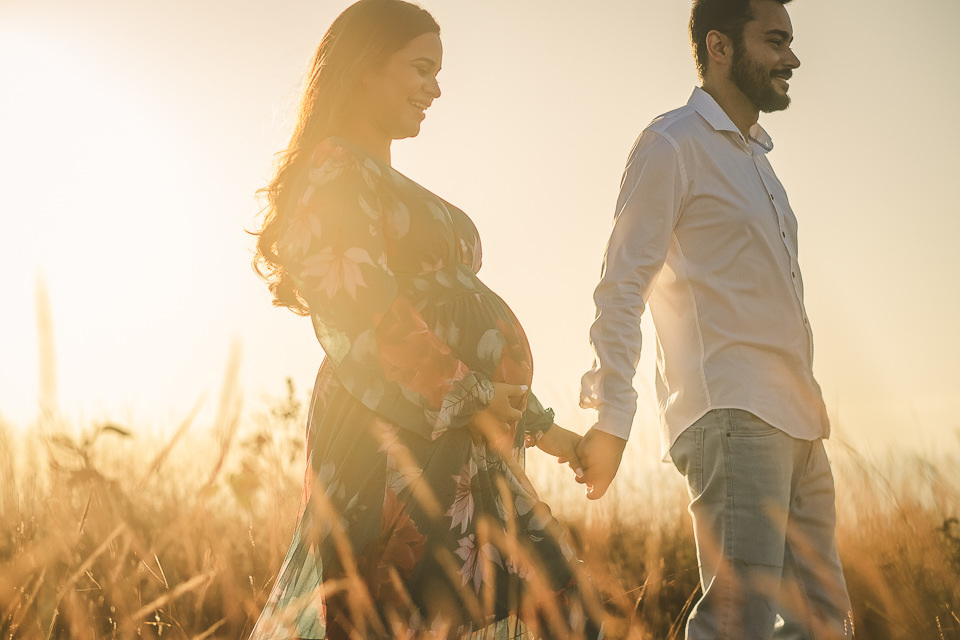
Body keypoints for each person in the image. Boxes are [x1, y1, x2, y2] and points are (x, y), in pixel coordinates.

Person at [248, 2, 601, 638]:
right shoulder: (335, 169)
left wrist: (551, 434)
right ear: (362, 68)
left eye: (437, 72)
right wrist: (470, 395)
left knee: (560, 610)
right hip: (390, 441)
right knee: (395, 623)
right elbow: (362, 311)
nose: (435, 88)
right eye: (420, 68)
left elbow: (454, 327)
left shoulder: (383, 180)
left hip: (464, 437)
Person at [577, 0, 854, 637]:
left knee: (826, 626)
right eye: (776, 41)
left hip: (800, 425)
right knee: (737, 622)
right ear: (721, 46)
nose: (793, 58)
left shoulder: (760, 162)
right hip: (732, 416)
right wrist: (612, 416)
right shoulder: (672, 143)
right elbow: (622, 282)